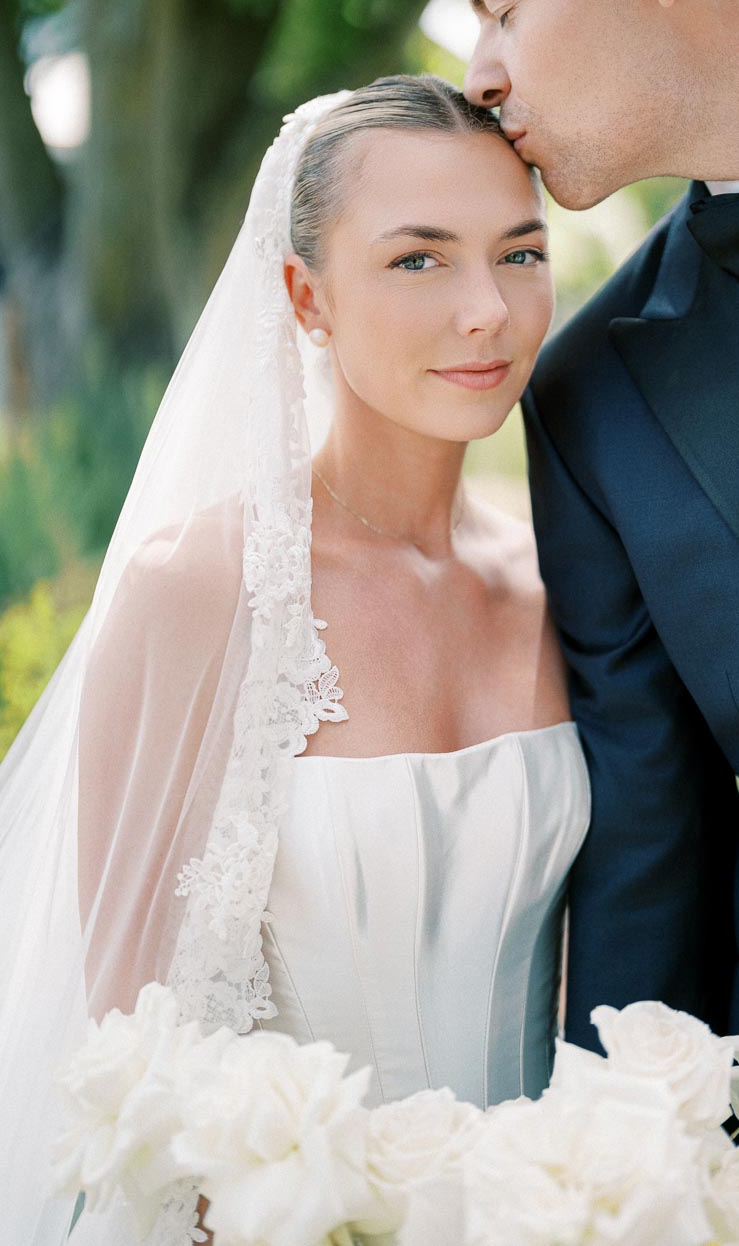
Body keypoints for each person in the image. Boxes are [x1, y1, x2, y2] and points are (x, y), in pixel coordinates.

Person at [0, 76, 590, 1245]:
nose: (488, 310)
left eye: (519, 255)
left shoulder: (569, 585)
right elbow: (128, 1061)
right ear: (303, 297)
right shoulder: (199, 592)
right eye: (418, 260)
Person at [391, 0, 739, 1235]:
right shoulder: (594, 399)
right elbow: (649, 852)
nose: (481, 69)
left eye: (501, 2)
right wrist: (619, 1189)